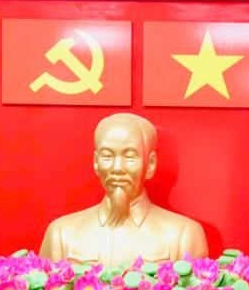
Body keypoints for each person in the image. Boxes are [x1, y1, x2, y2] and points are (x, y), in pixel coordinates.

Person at [39, 112, 208, 265]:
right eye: (107, 156)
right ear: (96, 162)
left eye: (130, 156)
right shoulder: (61, 234)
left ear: (150, 164)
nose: (117, 168)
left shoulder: (184, 235)